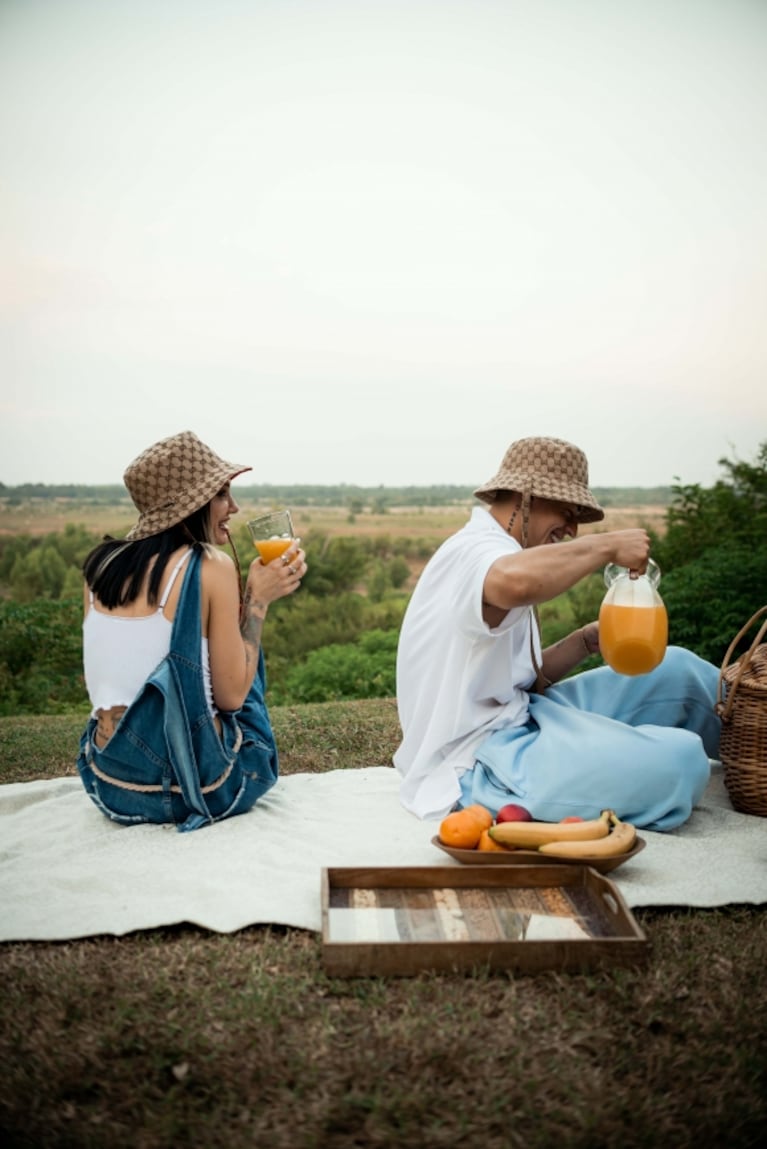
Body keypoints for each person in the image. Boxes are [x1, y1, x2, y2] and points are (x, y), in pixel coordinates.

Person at [393, 436, 720, 831]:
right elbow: (512, 582)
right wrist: (606, 546)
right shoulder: (475, 551)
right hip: (475, 762)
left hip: (525, 717)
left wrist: (584, 641)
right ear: (525, 497)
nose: (573, 528)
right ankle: (624, 753)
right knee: (680, 761)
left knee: (679, 670)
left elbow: (515, 682)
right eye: (566, 511)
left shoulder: (503, 549)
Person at [76, 430, 306, 831]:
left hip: (108, 784)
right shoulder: (210, 564)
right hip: (194, 788)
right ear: (193, 504)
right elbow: (232, 698)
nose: (233, 507)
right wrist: (257, 601)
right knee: (241, 658)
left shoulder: (100, 566)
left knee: (216, 652)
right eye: (221, 495)